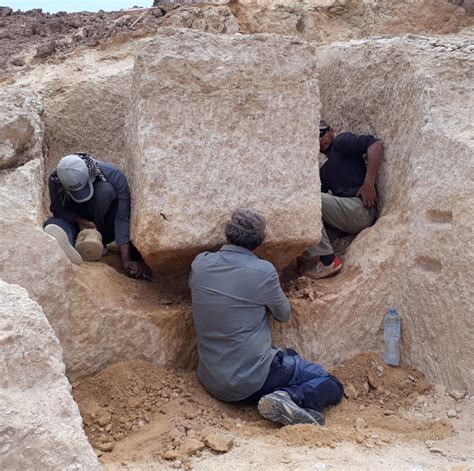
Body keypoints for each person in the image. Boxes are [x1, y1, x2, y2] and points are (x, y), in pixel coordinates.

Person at [189, 208, 344, 426]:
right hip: (252, 380)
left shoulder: (200, 263)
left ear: (227, 234)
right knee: (329, 381)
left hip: (212, 380)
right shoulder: (263, 271)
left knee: (287, 355)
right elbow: (283, 314)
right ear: (260, 243)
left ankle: (281, 394)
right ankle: (289, 397)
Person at [44, 152, 152, 280]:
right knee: (53, 223)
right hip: (78, 225)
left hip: (105, 226)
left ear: (90, 176)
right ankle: (70, 245)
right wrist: (78, 220)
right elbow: (58, 210)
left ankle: (94, 242)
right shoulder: (56, 180)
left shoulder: (113, 175)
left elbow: (122, 218)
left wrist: (126, 260)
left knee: (104, 191)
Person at [300, 120, 384, 279]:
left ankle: (328, 261)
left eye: (321, 133)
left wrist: (368, 184)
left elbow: (376, 145)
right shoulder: (324, 171)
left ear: (331, 130)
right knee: (305, 216)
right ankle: (331, 249)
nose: (319, 139)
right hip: (345, 220)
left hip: (360, 208)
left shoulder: (341, 142)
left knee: (309, 199)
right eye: (313, 138)